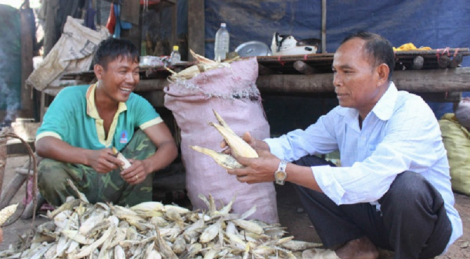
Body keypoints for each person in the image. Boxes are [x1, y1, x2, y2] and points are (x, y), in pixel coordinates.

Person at [226, 32, 462, 259]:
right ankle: (359, 246)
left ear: (380, 74)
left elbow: (372, 181)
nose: (336, 82)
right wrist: (260, 148)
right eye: (335, 72)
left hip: (425, 233)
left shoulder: (411, 111)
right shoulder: (344, 115)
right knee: (301, 162)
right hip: (374, 219)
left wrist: (282, 171)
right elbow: (299, 143)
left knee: (407, 186)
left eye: (347, 72)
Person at [36, 37, 178, 207]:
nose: (132, 79)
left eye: (135, 72)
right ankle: (74, 220)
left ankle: (131, 215)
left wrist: (147, 166)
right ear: (99, 72)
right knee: (48, 169)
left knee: (146, 140)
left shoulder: (136, 103)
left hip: (118, 183)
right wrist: (89, 157)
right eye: (123, 71)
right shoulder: (70, 98)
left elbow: (168, 145)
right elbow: (43, 144)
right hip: (77, 184)